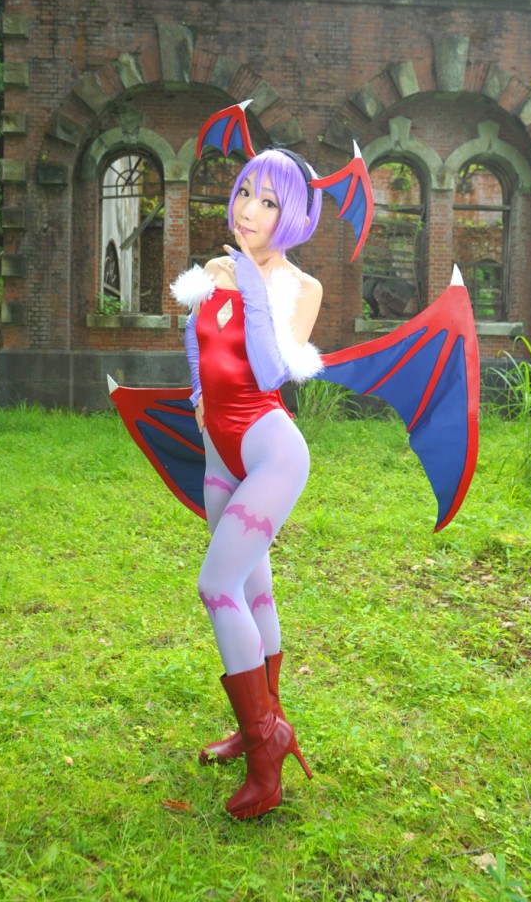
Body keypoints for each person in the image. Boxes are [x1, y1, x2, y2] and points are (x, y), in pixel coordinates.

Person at [170, 148, 325, 820]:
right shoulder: (215, 271)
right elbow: (196, 338)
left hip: (271, 454)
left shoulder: (301, 288)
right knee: (253, 589)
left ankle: (267, 756)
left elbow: (268, 372)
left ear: (292, 216)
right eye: (243, 192)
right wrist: (199, 394)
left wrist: (253, 290)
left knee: (217, 585)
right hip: (219, 456)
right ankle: (263, 719)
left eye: (268, 201)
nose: (249, 209)